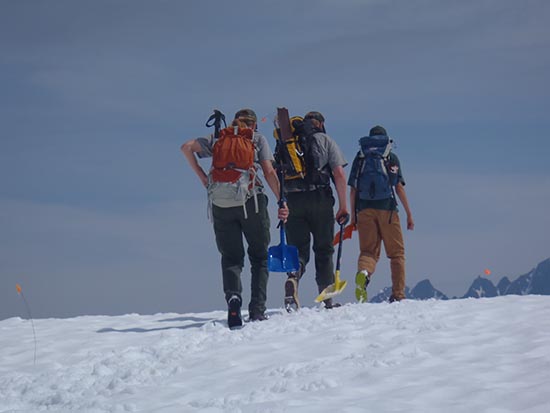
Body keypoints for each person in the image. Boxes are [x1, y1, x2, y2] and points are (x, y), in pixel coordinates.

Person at [181, 108, 288, 328]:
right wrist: (281, 200)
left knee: (231, 257)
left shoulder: (220, 136)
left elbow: (186, 147)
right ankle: (257, 309)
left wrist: (202, 176)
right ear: (254, 125)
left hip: (220, 204)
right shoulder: (256, 138)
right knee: (259, 256)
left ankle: (233, 298)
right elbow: (268, 171)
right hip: (251, 202)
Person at [283, 111, 349, 310]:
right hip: (320, 199)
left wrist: (282, 203)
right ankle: (327, 298)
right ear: (320, 124)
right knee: (324, 249)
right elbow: (339, 174)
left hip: (293, 199)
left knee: (298, 249)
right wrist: (343, 206)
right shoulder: (325, 140)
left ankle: (293, 278)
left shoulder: (288, 142)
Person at [348, 125, 414, 303]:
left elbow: (353, 190)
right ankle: (398, 294)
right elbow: (398, 187)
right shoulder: (390, 157)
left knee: (368, 251)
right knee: (396, 254)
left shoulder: (360, 157)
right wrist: (409, 214)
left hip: (364, 210)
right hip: (388, 210)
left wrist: (353, 216)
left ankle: (364, 273)